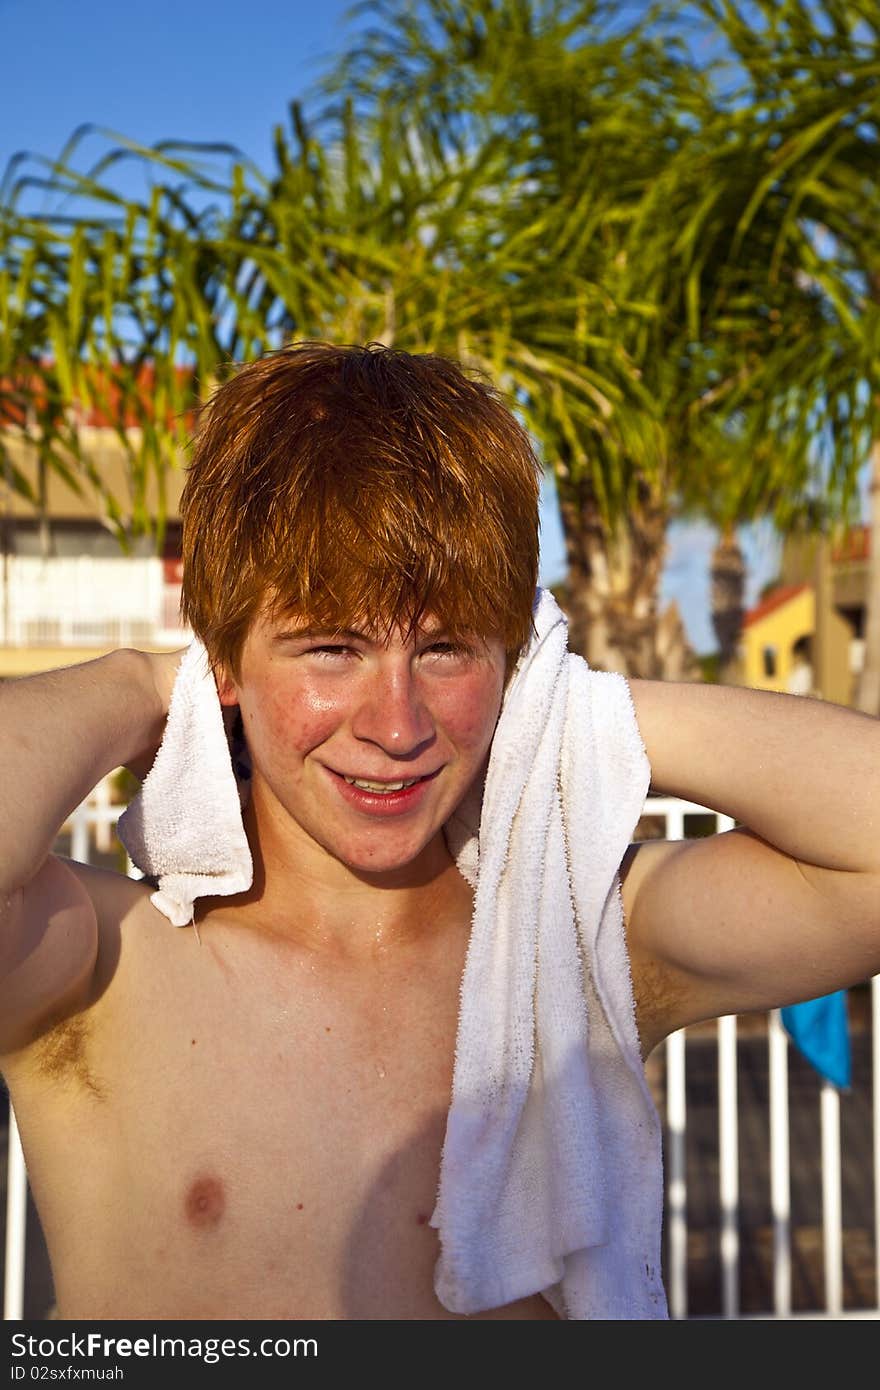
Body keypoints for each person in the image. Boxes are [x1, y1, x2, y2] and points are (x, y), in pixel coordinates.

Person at [0, 341, 878, 1322]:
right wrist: (140, 684)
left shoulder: (571, 950)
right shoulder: (103, 968)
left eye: (447, 647)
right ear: (226, 668)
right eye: (331, 647)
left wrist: (572, 711)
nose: (398, 724)